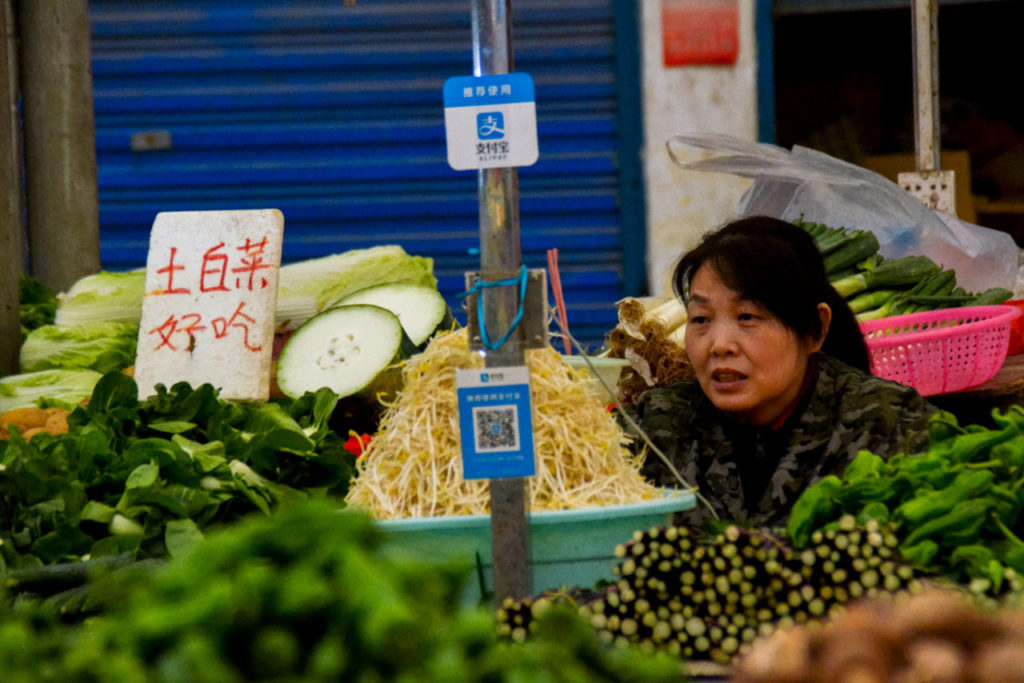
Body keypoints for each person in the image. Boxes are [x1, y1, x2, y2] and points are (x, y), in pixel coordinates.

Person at [626, 215, 937, 527]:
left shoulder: (890, 426)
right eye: (701, 319)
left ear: (815, 329)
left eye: (747, 316)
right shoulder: (655, 427)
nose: (719, 345)